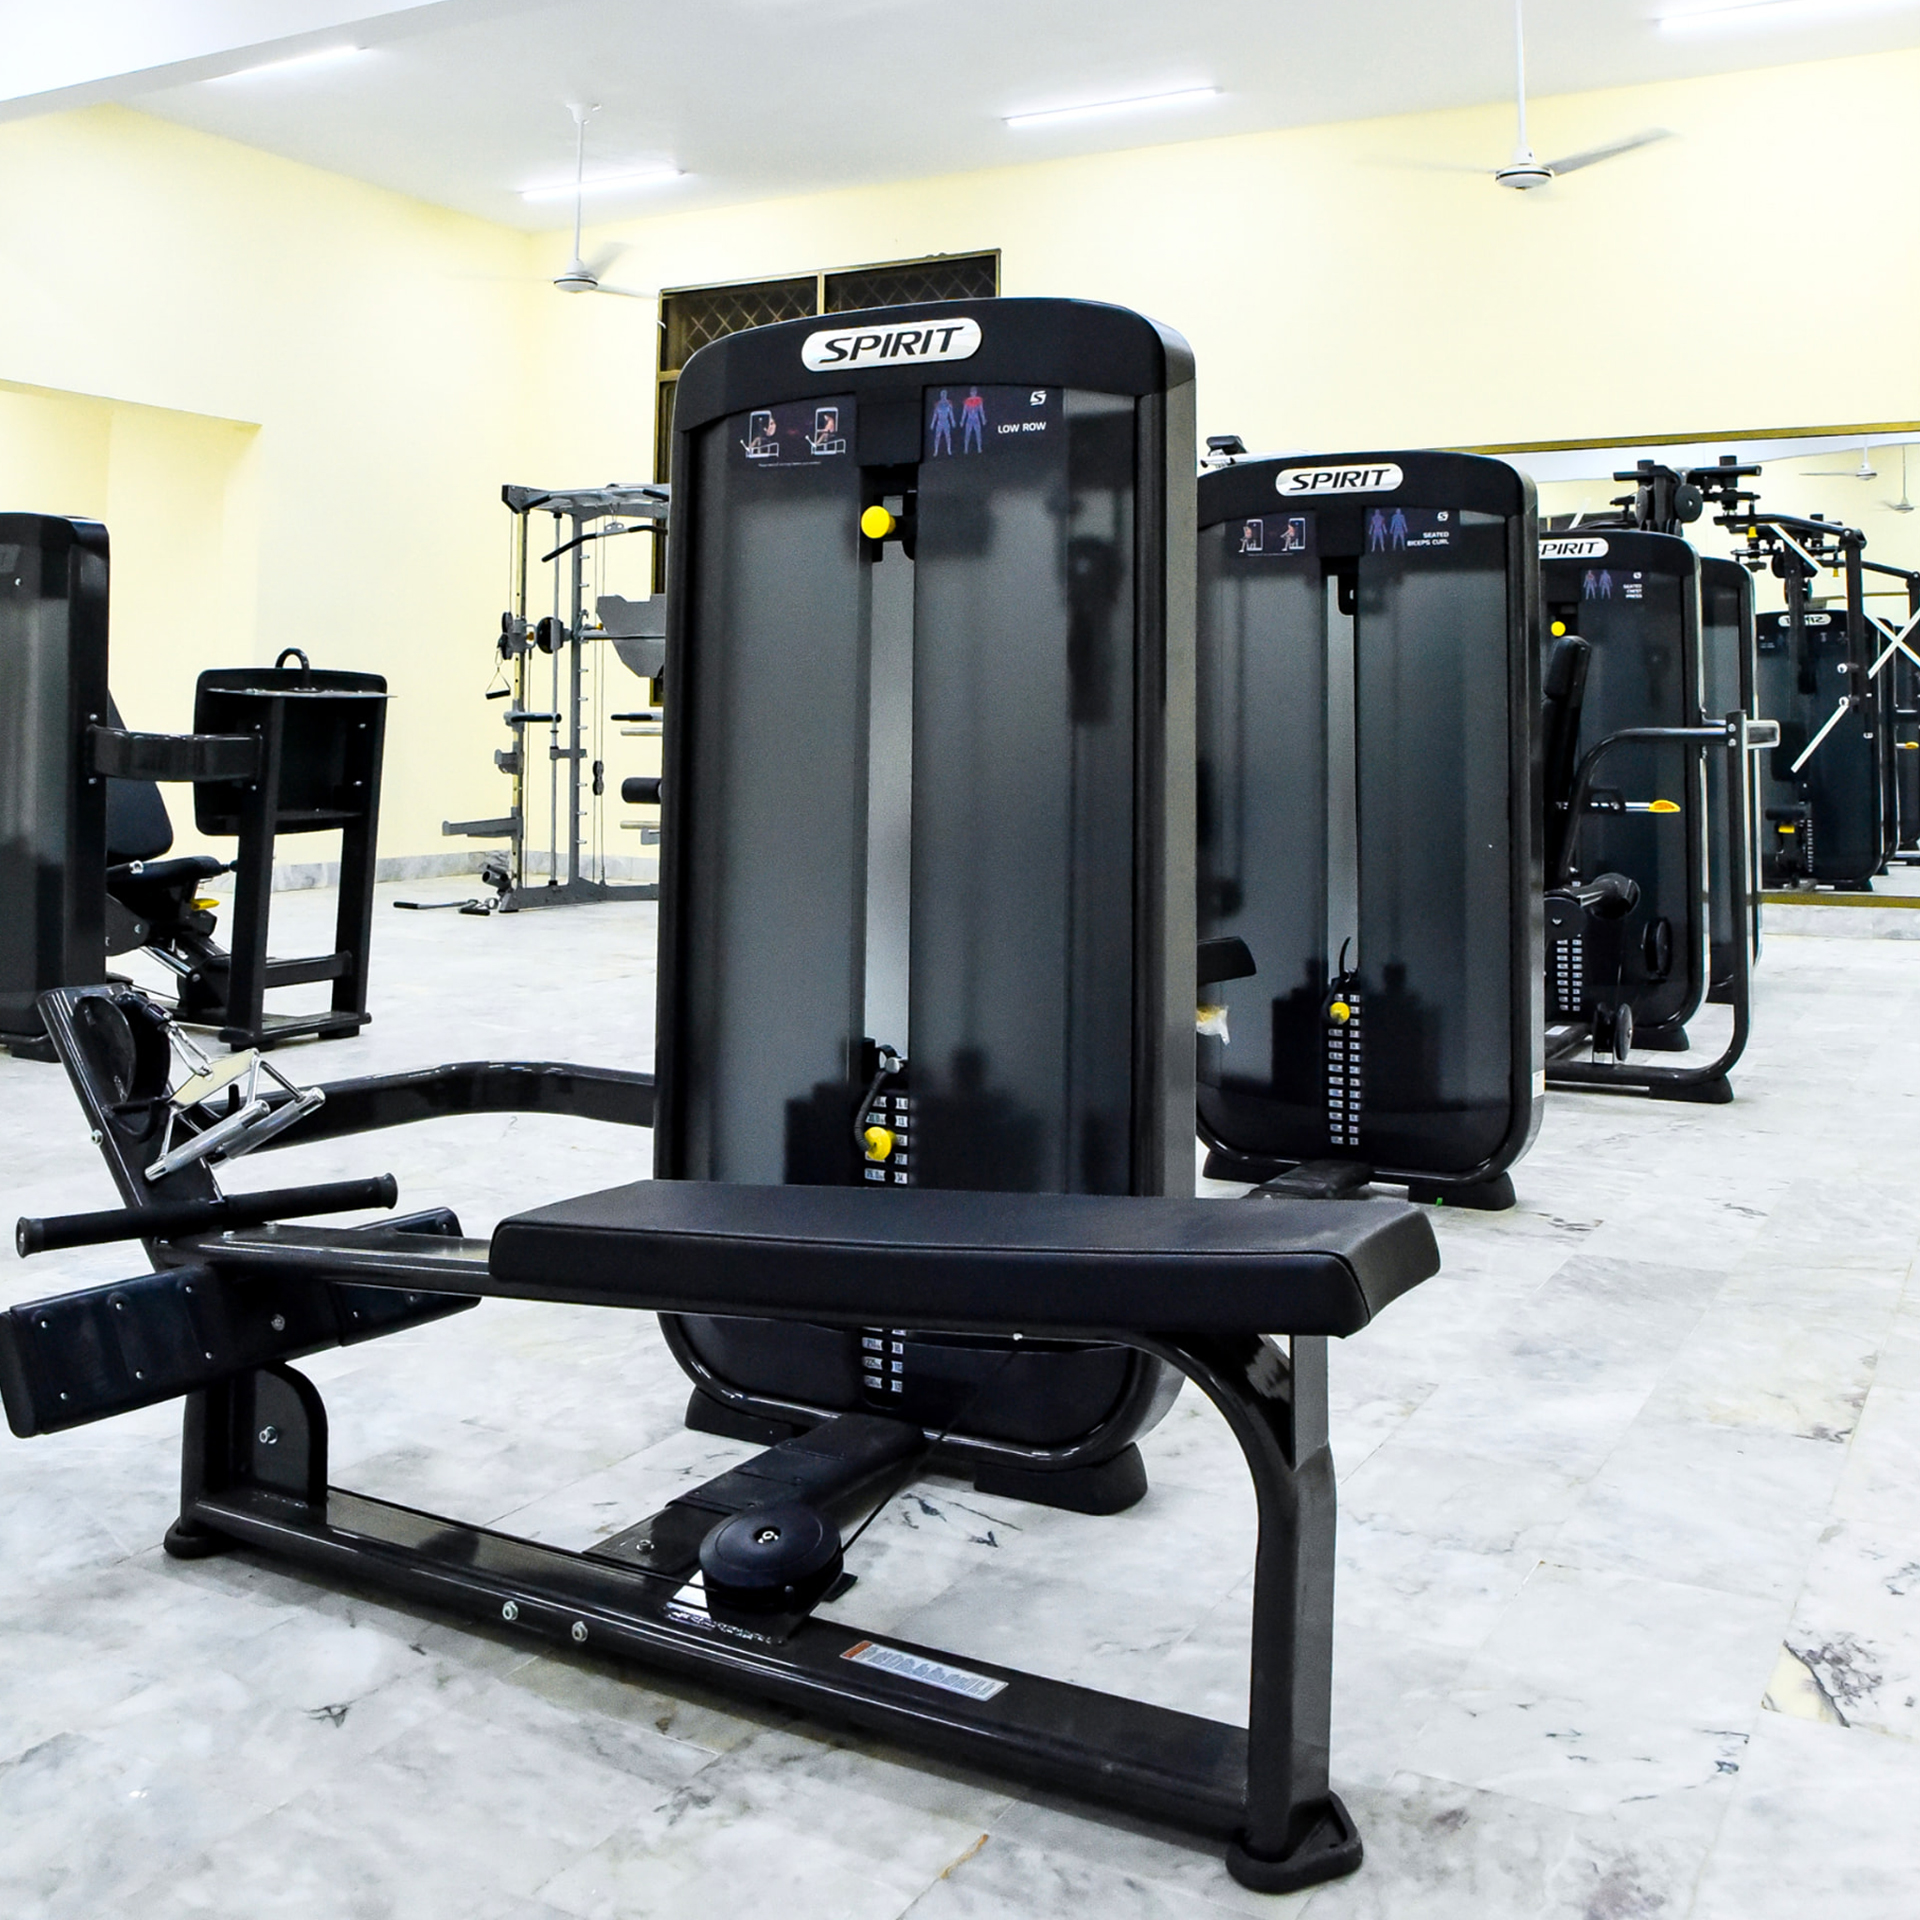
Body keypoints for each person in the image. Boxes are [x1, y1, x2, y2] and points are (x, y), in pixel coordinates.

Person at [929, 390, 956, 456]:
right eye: (942, 395)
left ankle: (949, 449)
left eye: (944, 395)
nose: (943, 396)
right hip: (939, 422)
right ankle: (936, 450)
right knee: (937, 437)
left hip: (946, 421)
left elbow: (951, 413)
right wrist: (932, 423)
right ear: (941, 396)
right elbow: (935, 414)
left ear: (946, 395)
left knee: (948, 436)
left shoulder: (949, 403)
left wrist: (952, 421)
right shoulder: (937, 404)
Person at [961, 387, 987, 453]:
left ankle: (979, 448)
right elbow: (964, 412)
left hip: (976, 419)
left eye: (974, 392)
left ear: (976, 392)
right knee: (967, 434)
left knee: (978, 434)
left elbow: (981, 410)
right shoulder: (967, 401)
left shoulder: (979, 400)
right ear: (970, 393)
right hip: (969, 419)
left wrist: (983, 419)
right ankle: (966, 448)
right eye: (972, 392)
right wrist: (962, 421)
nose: (973, 393)